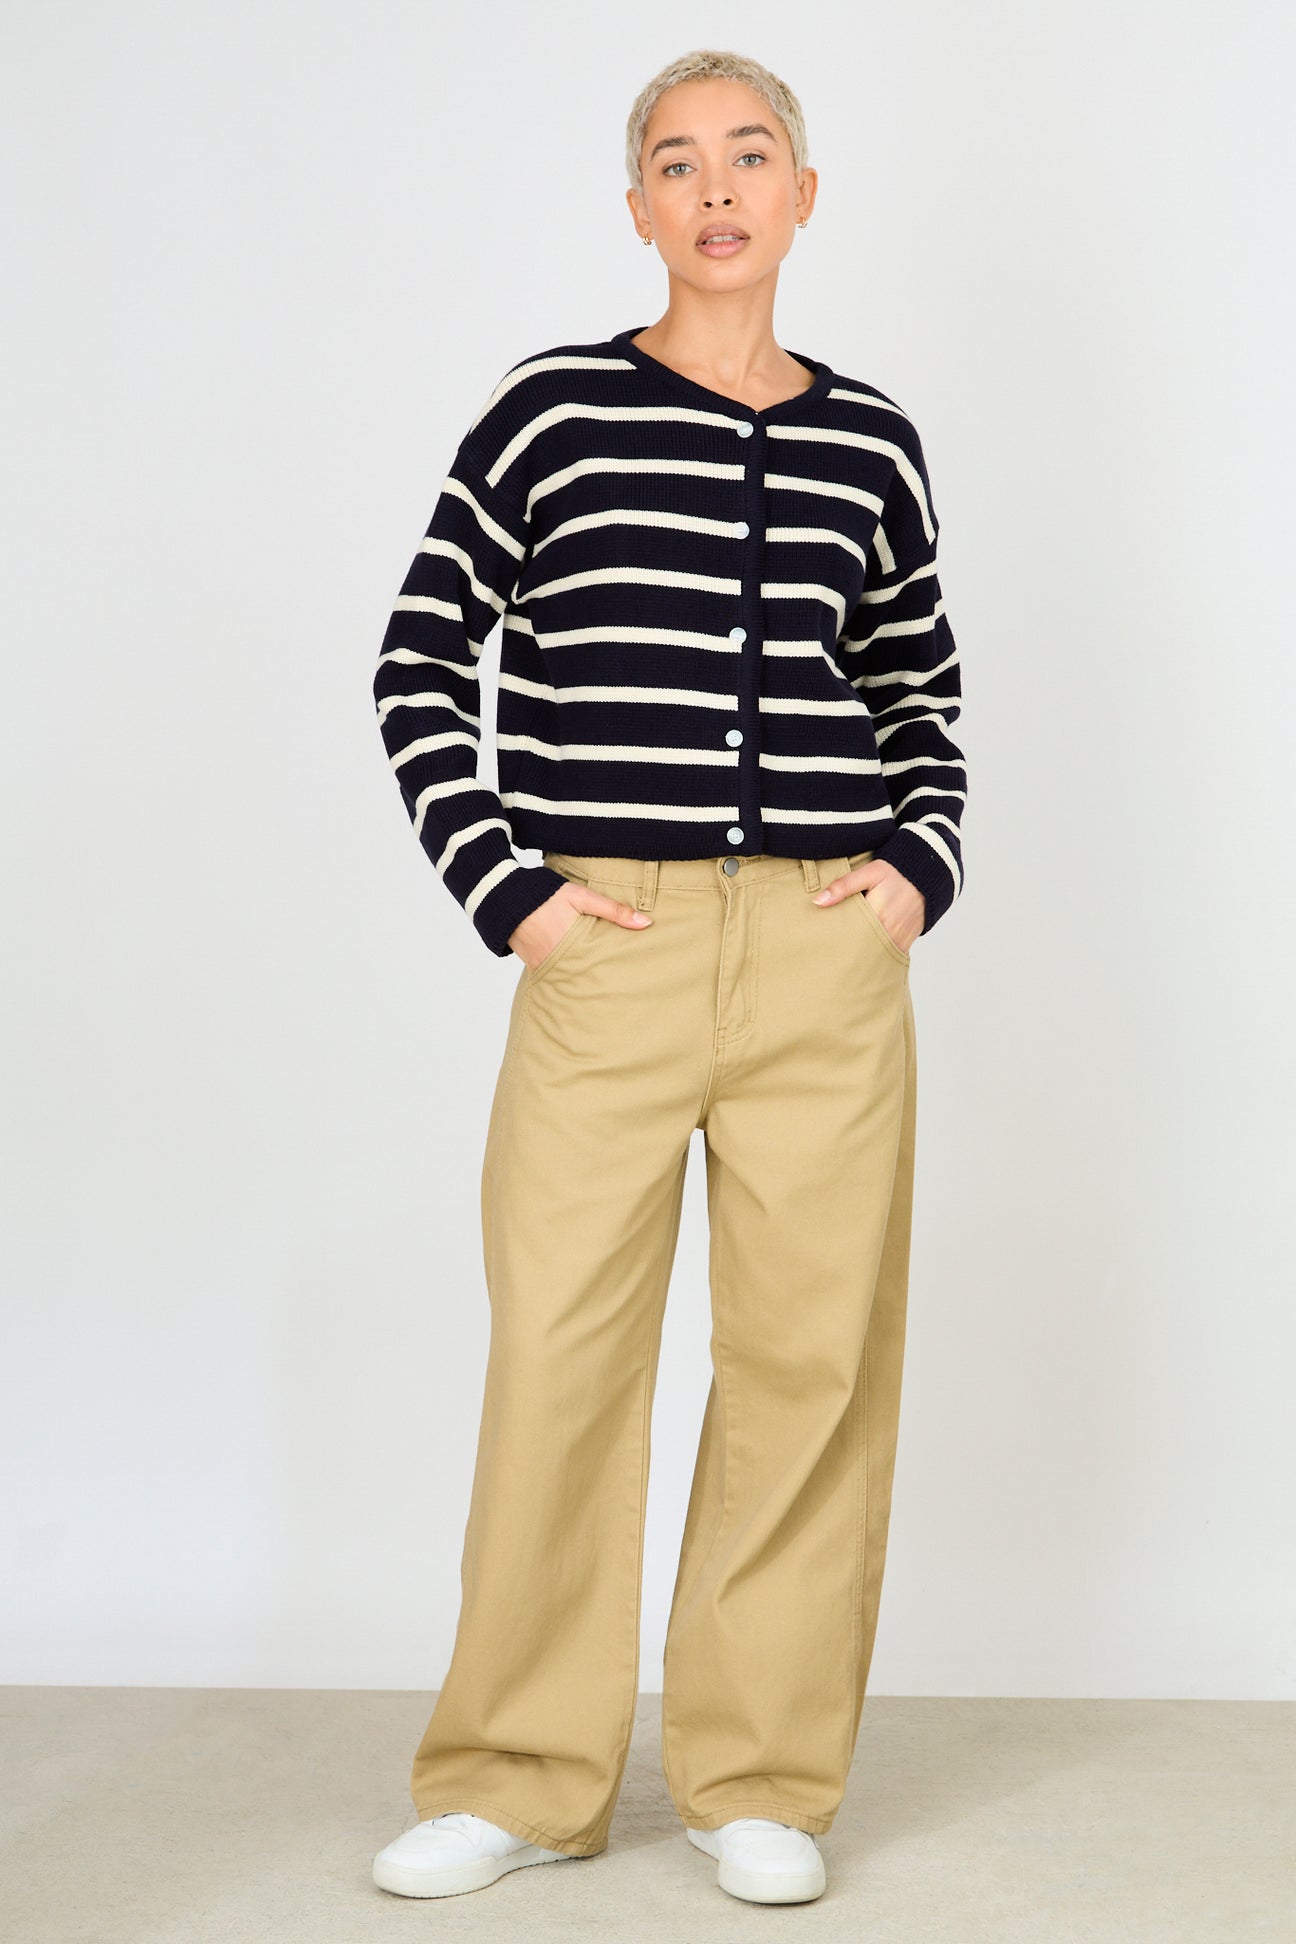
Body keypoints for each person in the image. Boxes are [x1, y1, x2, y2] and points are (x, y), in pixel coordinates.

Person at [368, 46, 966, 1909]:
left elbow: (920, 689)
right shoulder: (551, 412)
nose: (717, 189)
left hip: (823, 954)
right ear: (637, 208)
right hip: (605, 948)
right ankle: (517, 1775)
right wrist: (514, 895)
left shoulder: (873, 441)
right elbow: (418, 659)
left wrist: (917, 868)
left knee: (809, 1361)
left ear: (803, 195)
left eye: (751, 155)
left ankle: (761, 1777)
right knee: (561, 1351)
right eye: (679, 161)